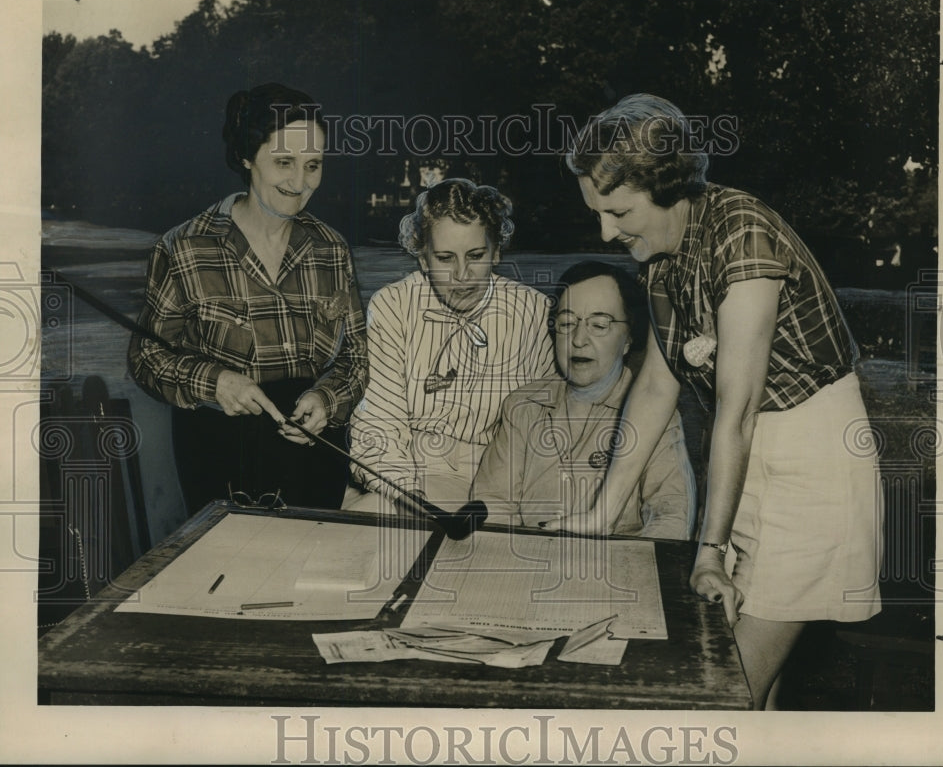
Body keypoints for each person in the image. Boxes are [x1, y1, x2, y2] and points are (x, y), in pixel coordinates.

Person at [548, 93, 882, 710]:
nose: (605, 232)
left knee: (722, 697)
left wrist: (710, 551)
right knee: (755, 691)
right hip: (751, 461)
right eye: (596, 213)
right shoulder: (662, 260)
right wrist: (601, 512)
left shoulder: (742, 233)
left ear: (667, 186)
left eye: (618, 211)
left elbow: (736, 411)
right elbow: (656, 385)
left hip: (814, 461)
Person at [129, 83, 368, 515]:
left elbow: (355, 358)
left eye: (313, 165)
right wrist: (213, 381)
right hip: (220, 460)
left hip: (313, 460)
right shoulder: (184, 247)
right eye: (283, 162)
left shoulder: (331, 249)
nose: (300, 183)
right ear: (245, 157)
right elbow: (146, 357)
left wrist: (327, 400)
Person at [344, 178, 556, 515]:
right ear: (423, 258)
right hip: (402, 474)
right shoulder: (393, 305)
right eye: (445, 258)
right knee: (358, 530)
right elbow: (380, 422)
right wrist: (408, 498)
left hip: (495, 484)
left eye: (476, 255)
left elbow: (549, 428)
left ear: (497, 251)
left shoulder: (534, 312)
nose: (462, 275)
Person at [471, 260, 695, 539]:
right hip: (529, 562)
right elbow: (492, 502)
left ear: (628, 339)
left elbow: (672, 514)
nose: (578, 339)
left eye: (599, 325)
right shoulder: (523, 407)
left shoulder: (654, 414)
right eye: (566, 323)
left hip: (612, 567)